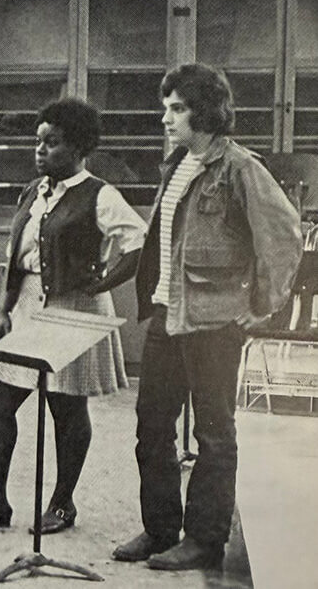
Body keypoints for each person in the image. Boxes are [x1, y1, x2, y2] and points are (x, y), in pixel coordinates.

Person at [113, 64, 302, 570]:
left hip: (215, 323)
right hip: (167, 316)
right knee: (152, 426)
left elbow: (284, 235)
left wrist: (260, 306)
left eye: (177, 109)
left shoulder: (239, 167)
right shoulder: (178, 164)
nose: (166, 119)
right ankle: (159, 530)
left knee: (214, 434)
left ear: (205, 111)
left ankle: (204, 539)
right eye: (166, 108)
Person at [0, 98, 146, 532]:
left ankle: (62, 504)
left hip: (74, 308)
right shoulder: (32, 191)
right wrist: (3, 311)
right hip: (27, 306)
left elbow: (138, 242)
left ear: (79, 148)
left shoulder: (99, 194)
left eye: (52, 143)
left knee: (66, 408)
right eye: (38, 141)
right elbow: (16, 257)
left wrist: (102, 284)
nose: (40, 151)